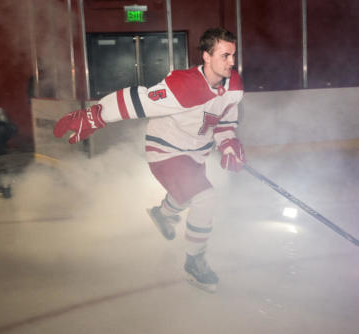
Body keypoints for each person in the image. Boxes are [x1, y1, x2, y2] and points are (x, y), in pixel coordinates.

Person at [53, 28, 245, 292]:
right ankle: (194, 262)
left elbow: (225, 120)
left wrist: (228, 144)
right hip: (166, 152)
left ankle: (162, 214)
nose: (232, 62)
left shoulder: (233, 84)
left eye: (233, 55)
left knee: (188, 194)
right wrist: (94, 115)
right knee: (204, 196)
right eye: (225, 55)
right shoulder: (185, 85)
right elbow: (138, 100)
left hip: (195, 154)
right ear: (206, 56)